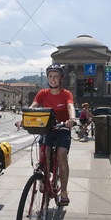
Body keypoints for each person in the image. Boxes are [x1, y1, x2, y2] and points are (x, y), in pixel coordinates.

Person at [17, 64, 75, 206]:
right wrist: (24, 118)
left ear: (61, 79)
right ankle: (46, 179)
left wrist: (71, 119)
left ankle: (64, 191)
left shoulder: (66, 94)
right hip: (47, 129)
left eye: (56, 76)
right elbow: (33, 106)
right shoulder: (42, 93)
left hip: (62, 129)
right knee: (44, 153)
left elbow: (70, 106)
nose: (53, 79)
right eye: (50, 76)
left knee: (61, 155)